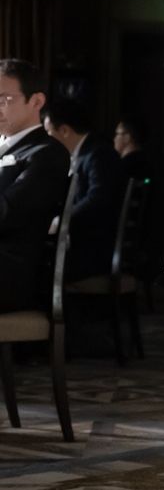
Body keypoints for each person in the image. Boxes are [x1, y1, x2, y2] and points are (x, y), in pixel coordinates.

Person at [0, 60, 70, 312]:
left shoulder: (48, 153)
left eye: (4, 99)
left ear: (36, 101)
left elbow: (6, 213)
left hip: (10, 275)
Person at [42, 97, 125, 282]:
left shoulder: (98, 154)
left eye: (49, 132)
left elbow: (98, 198)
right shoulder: (84, 154)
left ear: (64, 130)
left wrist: (61, 221)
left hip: (93, 250)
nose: (47, 138)